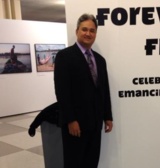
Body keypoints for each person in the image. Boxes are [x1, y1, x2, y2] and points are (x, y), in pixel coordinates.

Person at [54, 13, 113, 168]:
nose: (88, 33)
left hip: (95, 124)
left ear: (95, 34)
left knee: (91, 162)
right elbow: (62, 91)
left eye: (92, 30)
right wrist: (71, 120)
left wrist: (108, 116)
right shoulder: (64, 57)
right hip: (76, 125)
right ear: (77, 31)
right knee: (74, 163)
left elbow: (104, 90)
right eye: (84, 29)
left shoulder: (100, 60)